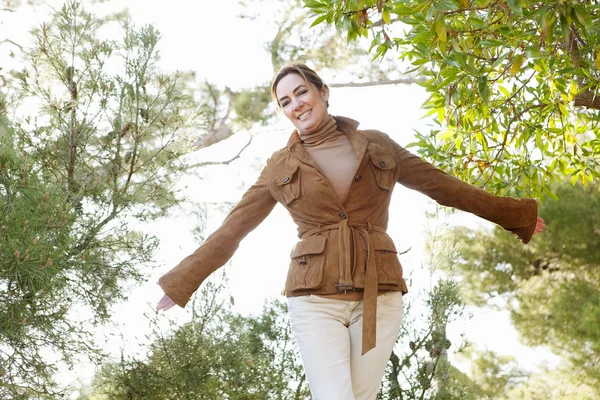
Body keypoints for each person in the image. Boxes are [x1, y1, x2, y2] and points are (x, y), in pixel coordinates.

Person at [156, 63, 545, 400]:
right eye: (285, 102)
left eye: (301, 92)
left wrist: (515, 216)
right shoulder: (279, 165)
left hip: (380, 294)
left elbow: (443, 186)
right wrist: (182, 280)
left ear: (323, 93)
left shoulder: (376, 144)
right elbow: (234, 228)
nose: (296, 105)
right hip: (314, 299)